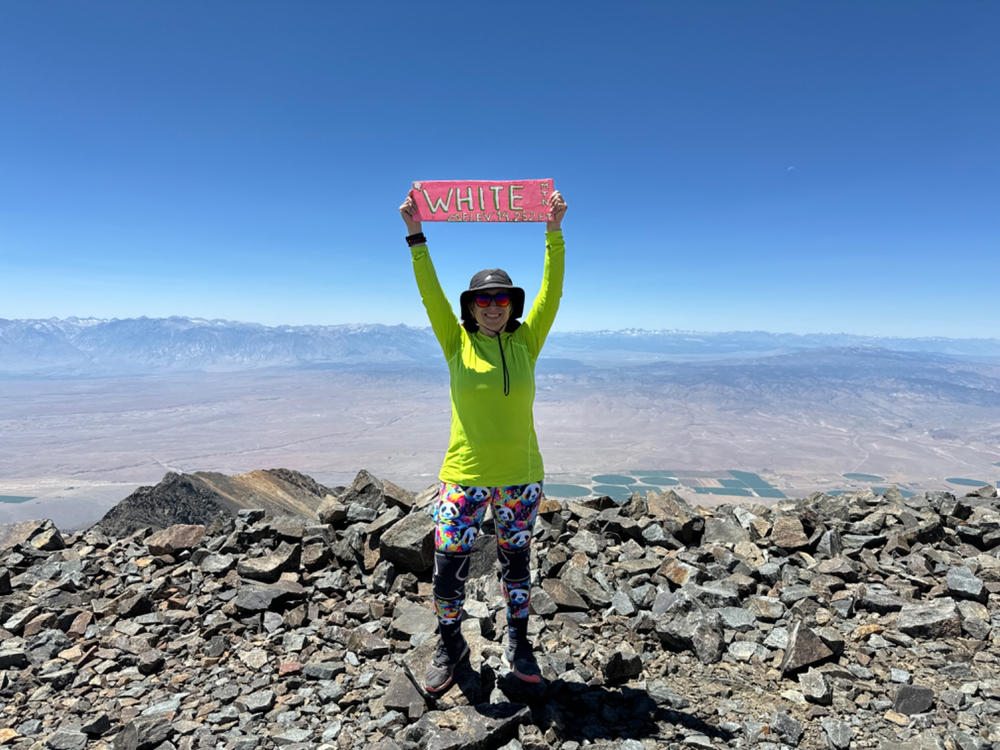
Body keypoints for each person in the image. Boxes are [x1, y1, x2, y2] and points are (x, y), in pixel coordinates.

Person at [399, 188, 567, 695]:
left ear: (510, 305)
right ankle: (451, 644)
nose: (492, 307)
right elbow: (429, 292)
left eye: (500, 299)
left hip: (520, 476)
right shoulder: (456, 343)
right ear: (470, 308)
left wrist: (553, 232)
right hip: (464, 477)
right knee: (447, 570)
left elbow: (551, 293)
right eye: (482, 300)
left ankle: (519, 643)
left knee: (517, 569)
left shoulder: (526, 342)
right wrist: (415, 235)